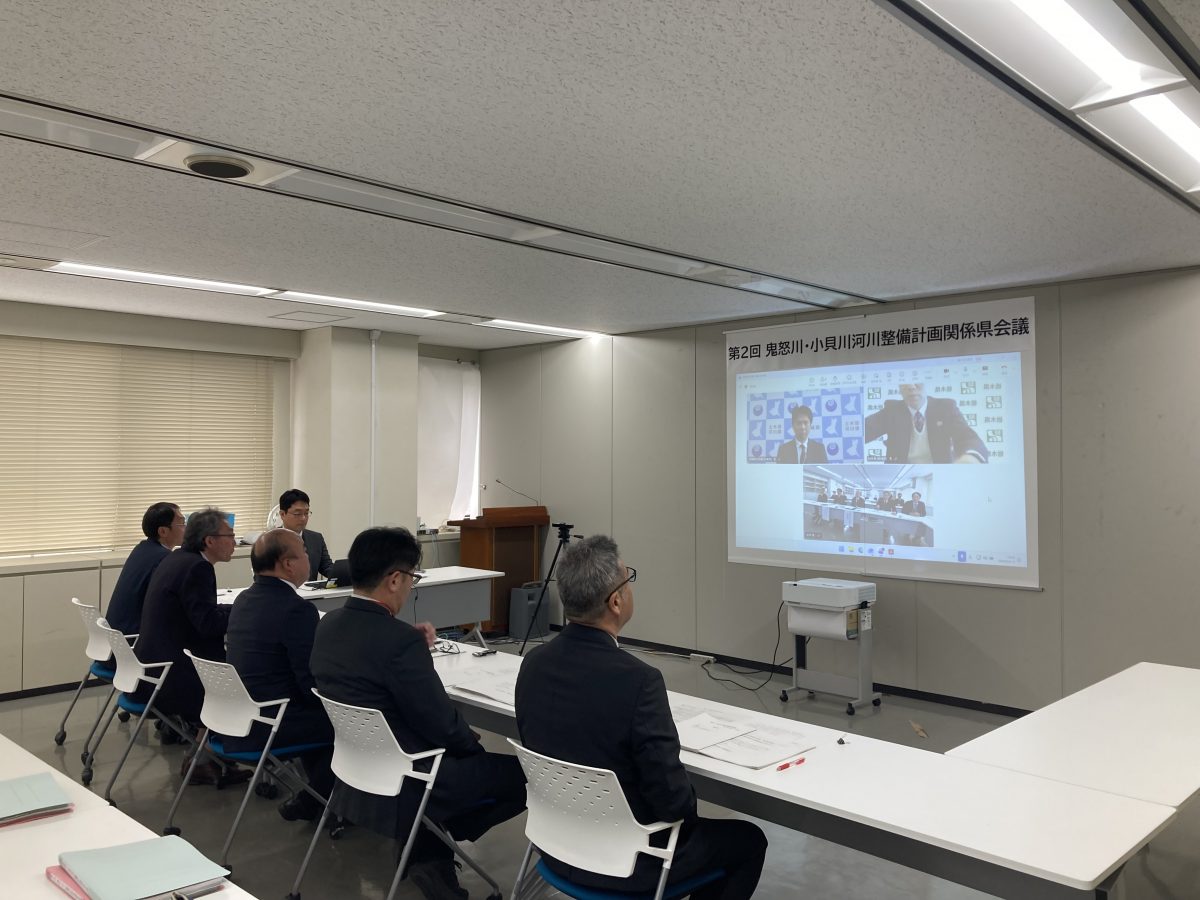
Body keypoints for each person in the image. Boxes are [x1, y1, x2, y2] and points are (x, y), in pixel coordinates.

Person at [515, 535, 767, 899]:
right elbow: (673, 803)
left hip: (554, 847)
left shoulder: (533, 664)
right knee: (748, 841)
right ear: (616, 602)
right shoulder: (638, 681)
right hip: (630, 863)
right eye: (627, 580)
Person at [310, 526, 525, 900]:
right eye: (413, 577)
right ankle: (432, 844)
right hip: (413, 776)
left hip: (354, 768)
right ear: (394, 579)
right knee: (528, 776)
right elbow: (441, 723)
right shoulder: (399, 641)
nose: (412, 586)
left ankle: (429, 849)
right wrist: (472, 746)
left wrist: (408, 642)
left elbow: (373, 666)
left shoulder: (328, 625)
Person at [225, 529, 334, 822]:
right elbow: (310, 682)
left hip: (238, 717)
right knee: (352, 723)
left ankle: (318, 799)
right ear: (288, 564)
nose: (309, 558)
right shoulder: (297, 609)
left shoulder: (244, 599)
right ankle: (318, 800)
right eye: (305, 553)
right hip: (272, 722)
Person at [135, 507, 245, 786]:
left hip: (153, 666)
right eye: (230, 536)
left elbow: (200, 614)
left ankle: (203, 760)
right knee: (235, 688)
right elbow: (207, 624)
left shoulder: (178, 559)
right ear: (210, 541)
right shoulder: (198, 568)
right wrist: (243, 612)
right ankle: (204, 761)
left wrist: (231, 609)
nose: (234, 542)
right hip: (173, 675)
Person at [105, 502, 184, 635]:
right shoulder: (163, 558)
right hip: (134, 636)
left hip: (117, 635)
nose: (186, 528)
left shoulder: (142, 548)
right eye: (181, 523)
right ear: (163, 531)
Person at [865, 383, 987, 464]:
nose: (911, 386)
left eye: (916, 380)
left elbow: (967, 437)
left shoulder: (945, 407)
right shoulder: (892, 410)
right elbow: (862, 431)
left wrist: (970, 458)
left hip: (940, 472)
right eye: (904, 382)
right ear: (900, 389)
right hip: (900, 469)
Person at [279, 488, 333, 581]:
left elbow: (327, 568)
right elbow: (262, 576)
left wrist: (345, 573)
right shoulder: (269, 541)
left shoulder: (316, 538)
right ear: (282, 514)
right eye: (297, 514)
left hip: (310, 590)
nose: (303, 518)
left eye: (306, 513)